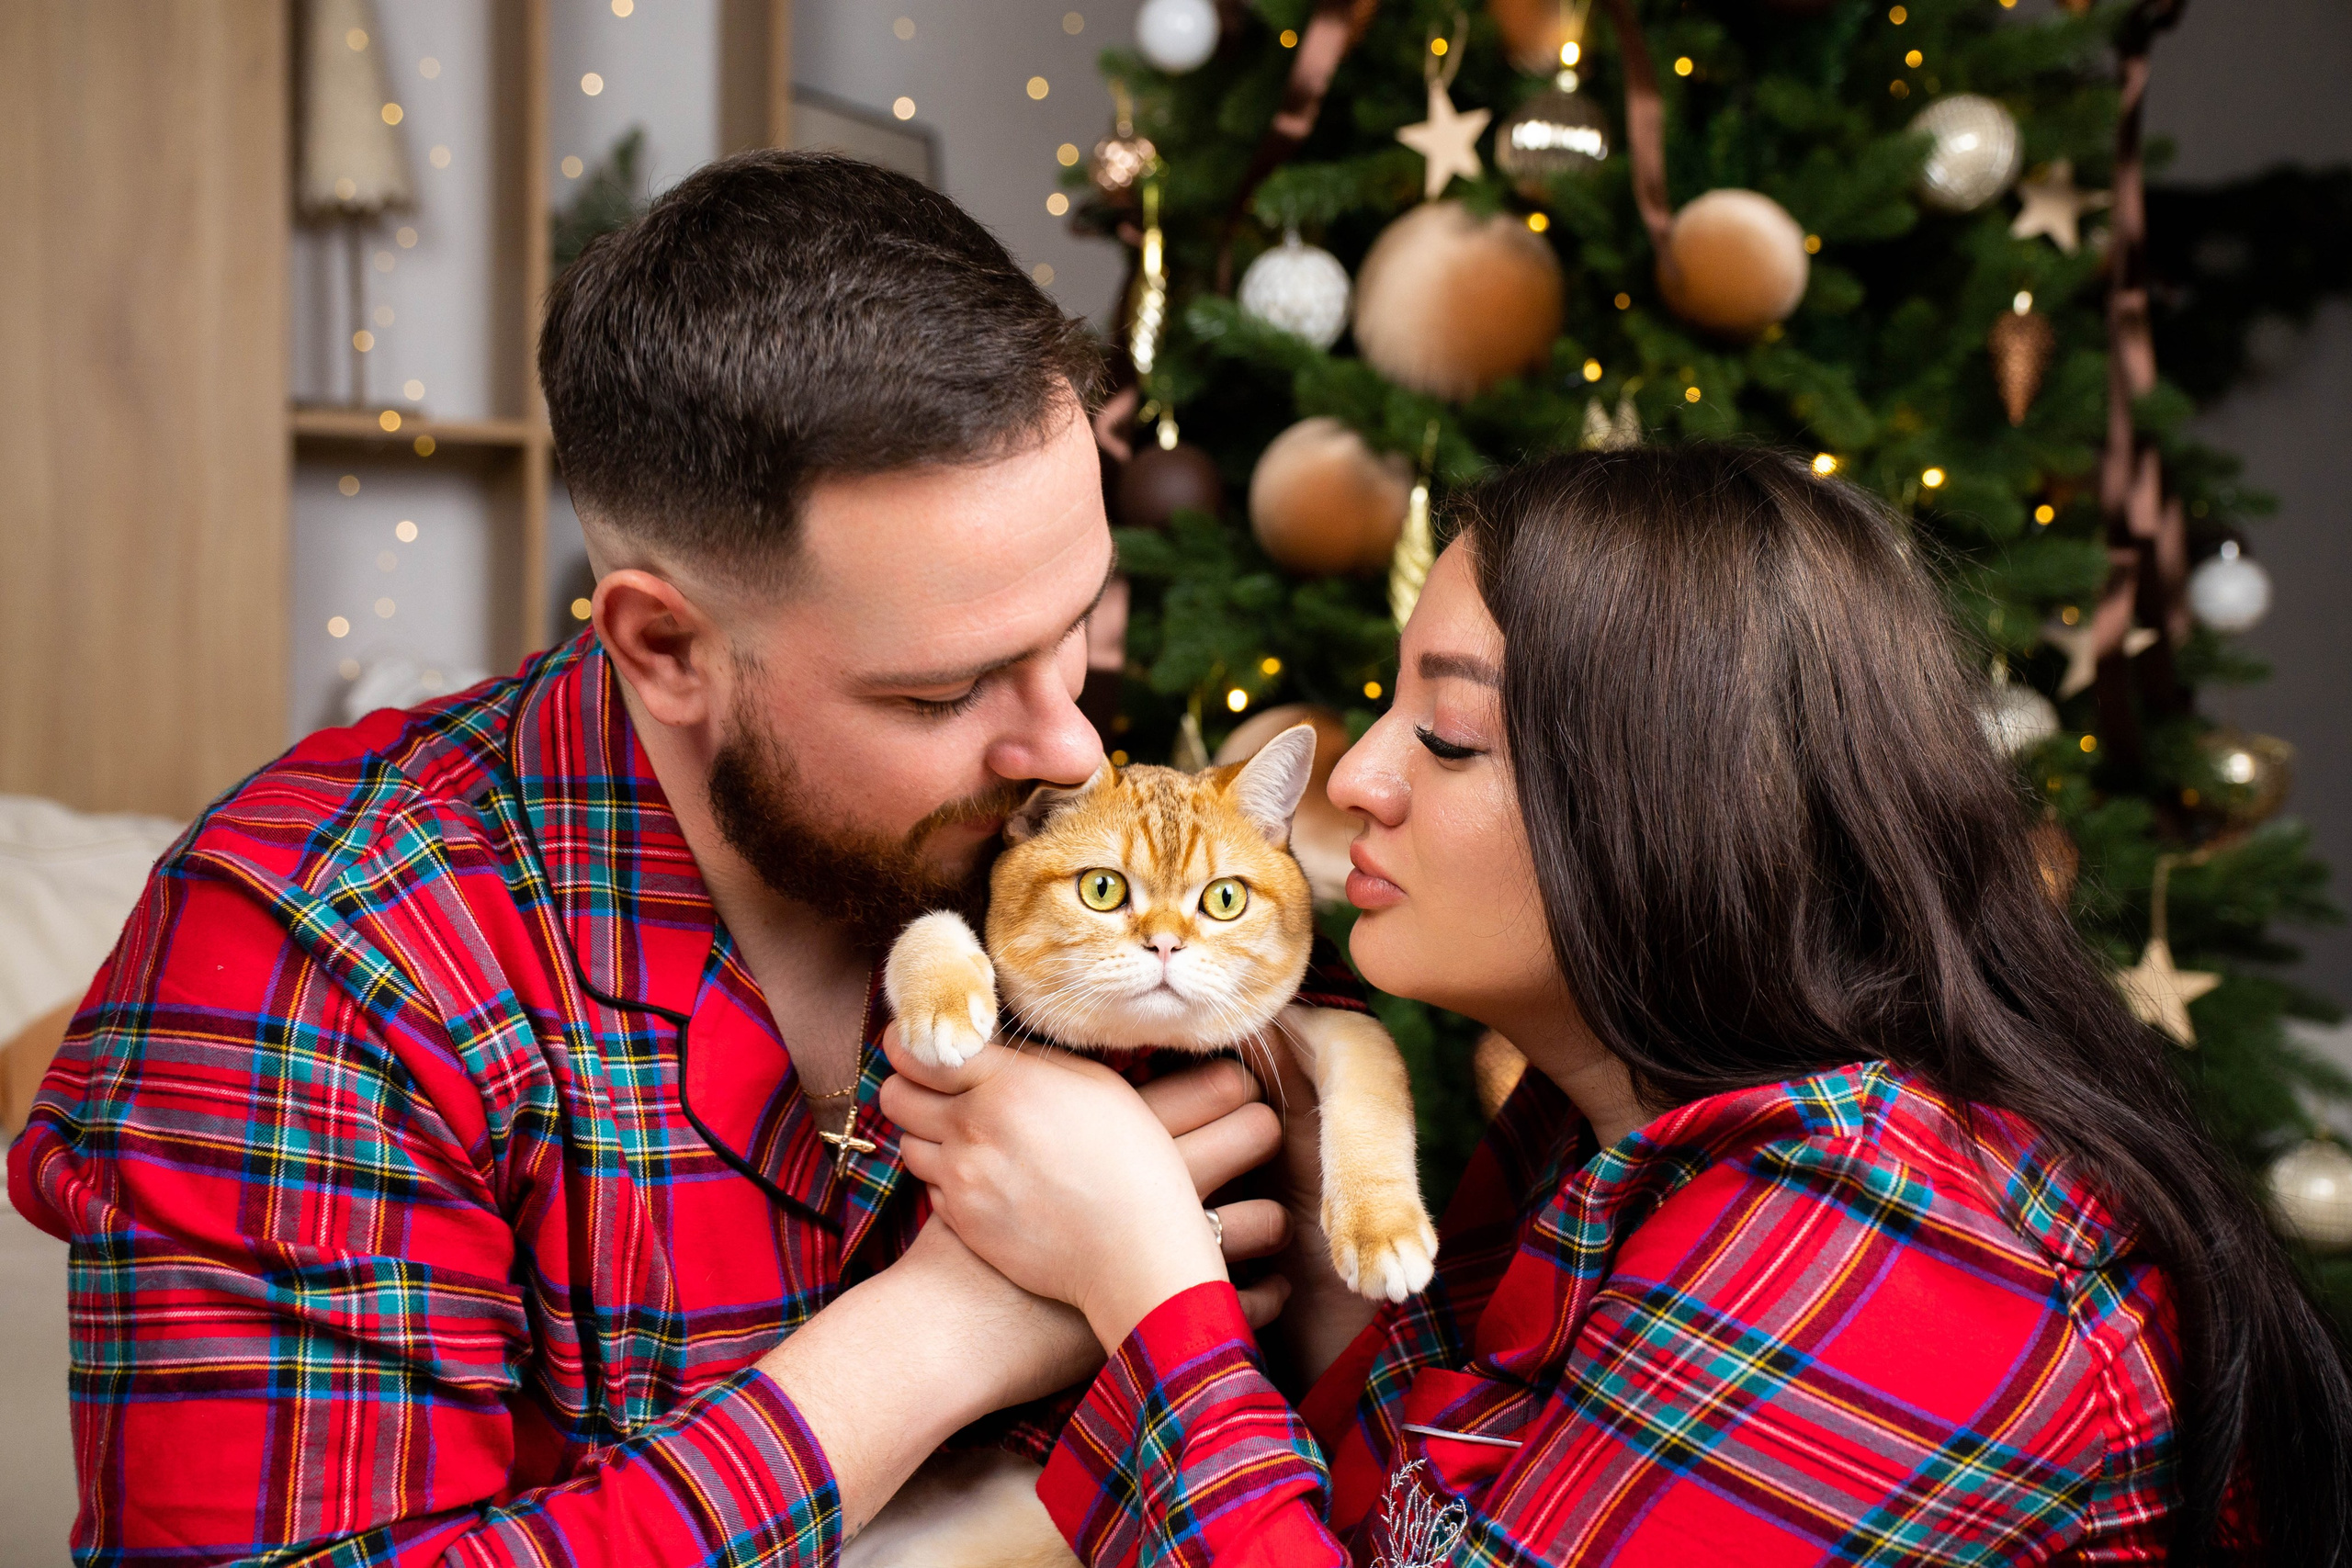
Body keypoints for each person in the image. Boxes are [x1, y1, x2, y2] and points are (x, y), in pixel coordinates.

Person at [6, 151, 1303, 1563]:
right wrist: (951, 1332)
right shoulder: (314, 944)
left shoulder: (1083, 863)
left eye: (1077, 626)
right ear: (665, 648)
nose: (1067, 751)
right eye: (943, 693)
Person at [882, 446, 2352, 1565]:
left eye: (1448, 737)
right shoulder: (1592, 1132)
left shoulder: (1886, 1248)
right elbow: (1409, 1523)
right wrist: (1331, 1284)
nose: (1360, 781)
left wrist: (1147, 1281)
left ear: (1669, 809)